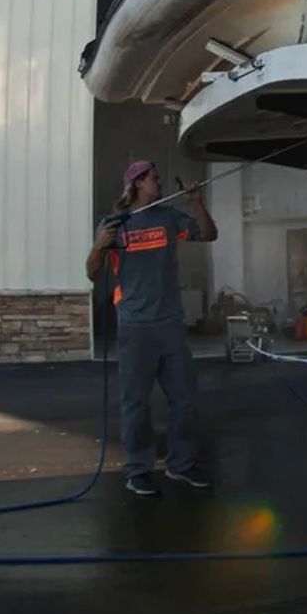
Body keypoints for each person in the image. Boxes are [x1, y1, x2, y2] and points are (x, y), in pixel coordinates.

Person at [85, 159, 217, 497]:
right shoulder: (115, 225)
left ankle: (181, 464)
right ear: (138, 184)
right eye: (154, 179)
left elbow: (208, 234)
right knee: (136, 404)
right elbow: (92, 272)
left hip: (170, 324)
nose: (159, 183)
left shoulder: (169, 218)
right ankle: (138, 470)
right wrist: (100, 244)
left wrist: (196, 203)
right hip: (135, 327)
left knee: (185, 399)